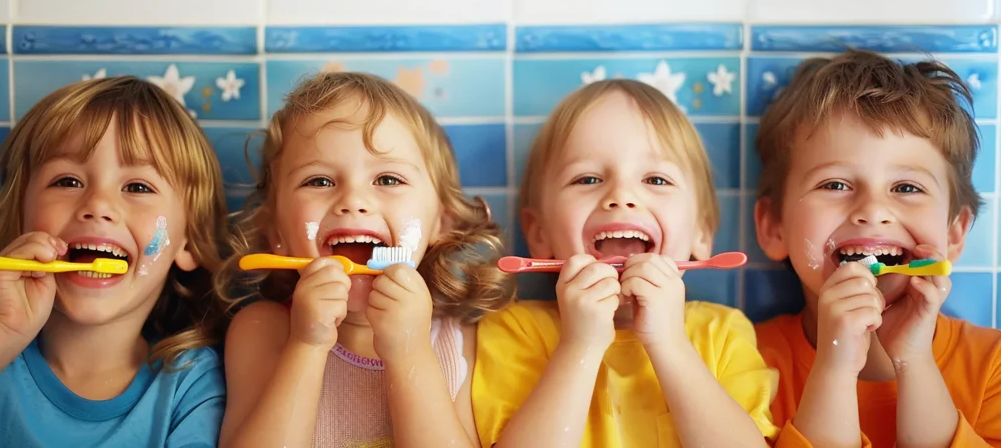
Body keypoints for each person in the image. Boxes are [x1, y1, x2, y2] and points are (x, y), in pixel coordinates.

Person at [216, 71, 516, 447]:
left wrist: (409, 351)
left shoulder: (458, 340)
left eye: (388, 179)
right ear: (275, 231)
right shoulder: (262, 329)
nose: (353, 201)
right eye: (319, 181)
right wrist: (306, 346)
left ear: (443, 221)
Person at [474, 79, 778, 447]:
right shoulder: (513, 331)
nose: (622, 196)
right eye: (587, 179)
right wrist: (580, 346)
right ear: (539, 234)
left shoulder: (723, 333)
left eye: (656, 179)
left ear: (702, 232)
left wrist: (670, 344)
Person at [753, 49, 1001, 446]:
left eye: (906, 188)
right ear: (774, 226)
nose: (873, 211)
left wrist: (914, 360)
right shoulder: (739, 358)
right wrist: (834, 367)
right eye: (835, 185)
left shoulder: (993, 367)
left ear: (954, 235)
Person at [0, 76, 229, 447]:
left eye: (138, 187)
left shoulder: (190, 385)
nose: (97, 205)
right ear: (18, 218)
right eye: (67, 181)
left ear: (188, 244)